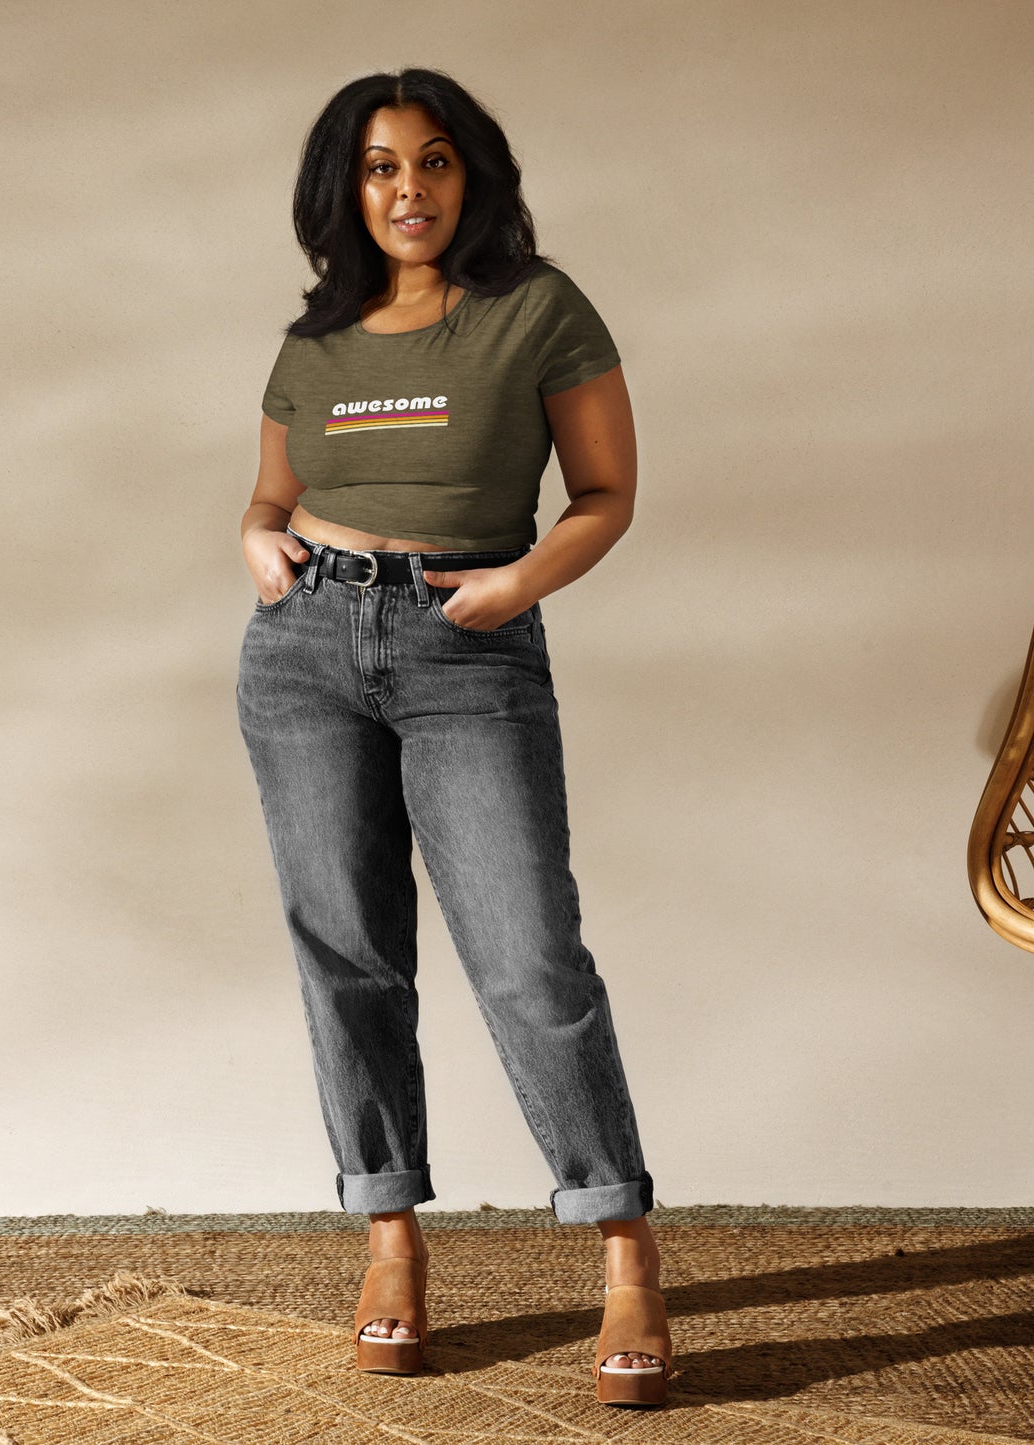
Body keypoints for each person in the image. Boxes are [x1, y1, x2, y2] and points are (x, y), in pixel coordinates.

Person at [236, 68, 674, 1407]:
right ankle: (389, 1241)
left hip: (465, 640)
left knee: (530, 951)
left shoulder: (537, 309)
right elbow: (267, 497)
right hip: (304, 652)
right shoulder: (316, 339)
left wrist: (519, 584)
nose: (407, 191)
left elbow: (604, 490)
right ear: (344, 188)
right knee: (346, 953)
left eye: (431, 163)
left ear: (468, 175)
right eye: (378, 167)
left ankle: (625, 1248)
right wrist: (258, 544)